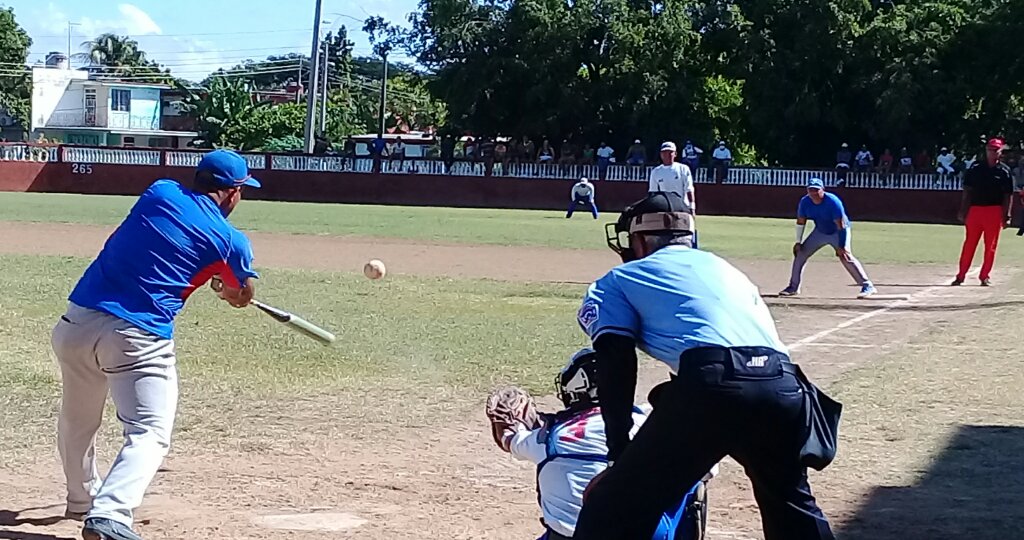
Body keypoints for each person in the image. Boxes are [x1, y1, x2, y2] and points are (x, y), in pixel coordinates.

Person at [572, 191, 840, 540]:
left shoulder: (619, 280)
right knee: (790, 506)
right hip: (784, 386)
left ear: (638, 240)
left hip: (712, 386)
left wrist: (619, 452)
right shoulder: (727, 269)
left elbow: (616, 357)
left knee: (611, 510)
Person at [51, 149, 261, 540]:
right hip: (137, 337)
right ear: (233, 193)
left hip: (75, 323)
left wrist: (214, 278)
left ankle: (81, 500)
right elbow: (242, 292)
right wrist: (227, 289)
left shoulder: (160, 192)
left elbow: (164, 247)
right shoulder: (231, 241)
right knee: (149, 429)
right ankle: (111, 513)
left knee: (78, 421)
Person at [501, 348, 715, 540]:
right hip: (649, 532)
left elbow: (509, 440)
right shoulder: (649, 421)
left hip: (571, 535)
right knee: (692, 481)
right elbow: (709, 469)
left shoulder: (549, 436)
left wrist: (513, 428)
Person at [779, 178, 877, 299]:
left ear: (822, 190)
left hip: (838, 231)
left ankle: (867, 285)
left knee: (846, 257)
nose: (813, 193)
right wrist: (798, 242)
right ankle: (793, 287)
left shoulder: (833, 202)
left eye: (816, 190)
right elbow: (801, 221)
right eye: (810, 190)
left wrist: (841, 246)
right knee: (800, 254)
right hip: (820, 231)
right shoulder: (805, 202)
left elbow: (841, 225)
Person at [953, 137, 1014, 286]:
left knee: (990, 246)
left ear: (1000, 152)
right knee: (969, 244)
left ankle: (984, 276)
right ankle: (961, 275)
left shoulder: (1004, 171)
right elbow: (967, 191)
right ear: (986, 151)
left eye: (996, 150)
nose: (992, 153)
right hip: (975, 210)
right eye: (990, 150)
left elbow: (1008, 195)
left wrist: (1007, 215)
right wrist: (963, 210)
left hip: (994, 211)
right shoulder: (975, 168)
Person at [649, 142, 698, 247]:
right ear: (661, 154)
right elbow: (653, 193)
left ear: (675, 154)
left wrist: (692, 208)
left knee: (687, 238)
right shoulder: (656, 172)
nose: (668, 155)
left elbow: (689, 189)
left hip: (682, 209)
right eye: (665, 152)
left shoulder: (683, 169)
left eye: (671, 152)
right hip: (664, 210)